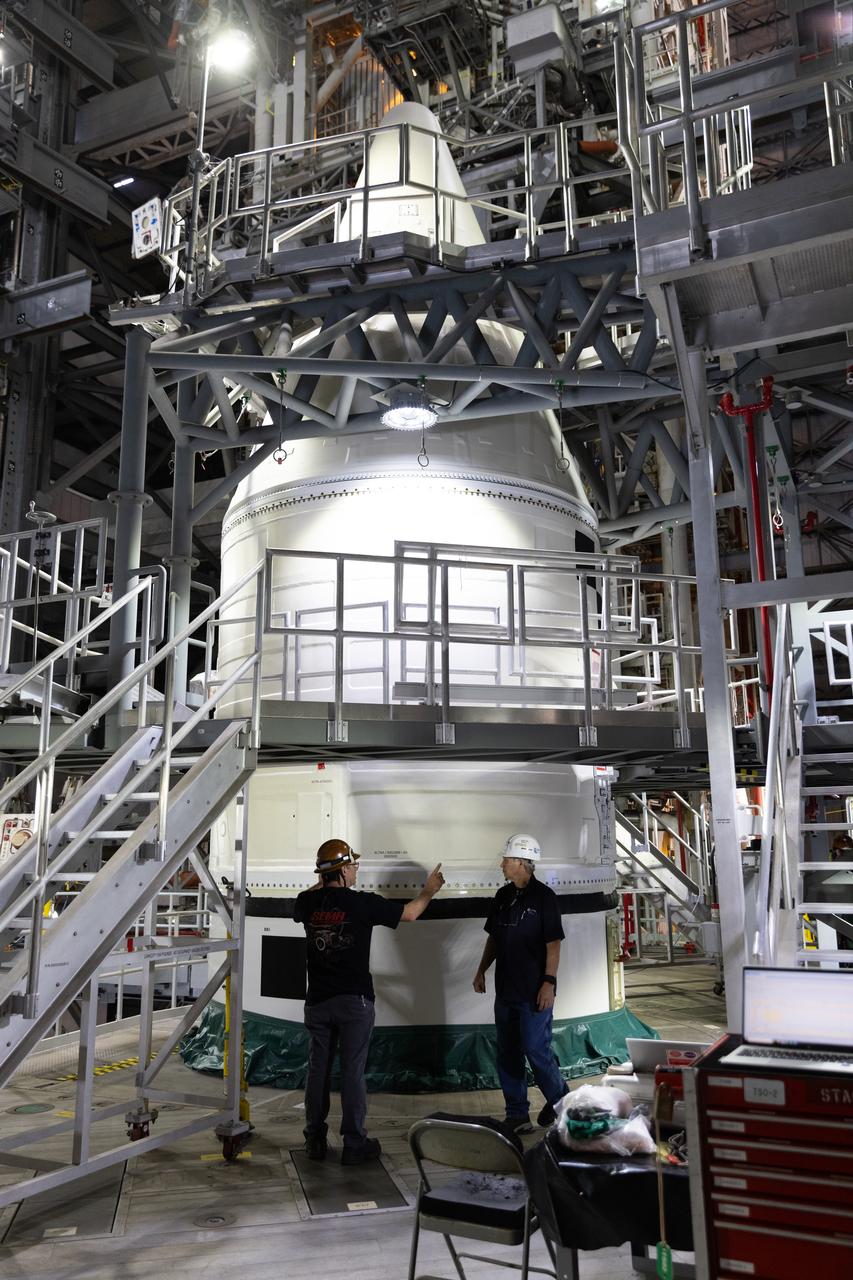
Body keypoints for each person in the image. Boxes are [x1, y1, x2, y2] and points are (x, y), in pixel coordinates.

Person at [294, 838, 444, 1165]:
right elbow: (411, 913)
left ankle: (315, 1140)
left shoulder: (306, 903)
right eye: (353, 866)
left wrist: (325, 878)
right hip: (354, 1003)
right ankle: (353, 1143)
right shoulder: (362, 904)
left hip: (318, 1001)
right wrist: (429, 889)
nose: (357, 870)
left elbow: (309, 895)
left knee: (318, 1070)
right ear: (343, 870)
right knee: (352, 1072)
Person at [473, 833, 568, 1135]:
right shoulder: (503, 897)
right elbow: (494, 939)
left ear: (522, 862)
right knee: (508, 1052)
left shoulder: (544, 899)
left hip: (533, 992)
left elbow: (553, 944)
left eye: (507, 859)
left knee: (535, 1050)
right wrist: (481, 970)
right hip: (507, 992)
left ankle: (562, 1103)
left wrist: (549, 983)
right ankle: (517, 1114)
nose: (502, 864)